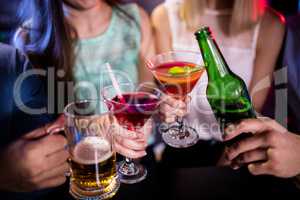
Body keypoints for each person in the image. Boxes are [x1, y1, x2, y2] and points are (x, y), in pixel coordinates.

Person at [152, 0, 286, 142]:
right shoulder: (164, 15)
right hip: (181, 141)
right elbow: (163, 90)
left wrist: (231, 152)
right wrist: (165, 107)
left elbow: (251, 110)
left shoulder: (271, 24)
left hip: (238, 144)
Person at [14, 0, 154, 101]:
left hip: (138, 139)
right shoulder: (30, 38)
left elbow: (146, 89)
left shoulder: (135, 19)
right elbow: (34, 113)